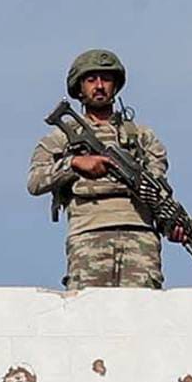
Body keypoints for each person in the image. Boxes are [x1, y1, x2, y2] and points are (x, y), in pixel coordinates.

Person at [26, 48, 171, 290]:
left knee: (142, 318)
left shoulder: (142, 136)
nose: (100, 85)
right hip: (89, 235)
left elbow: (159, 189)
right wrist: (74, 164)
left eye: (106, 79)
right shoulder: (61, 137)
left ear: (115, 86)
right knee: (88, 318)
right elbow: (35, 181)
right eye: (91, 80)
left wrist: (170, 225)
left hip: (140, 237)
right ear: (79, 87)